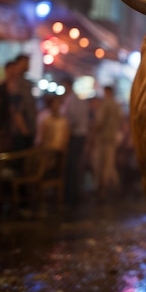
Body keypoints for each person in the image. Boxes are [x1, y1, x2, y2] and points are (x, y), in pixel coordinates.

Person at [60, 78, 90, 206]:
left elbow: (73, 120)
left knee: (72, 166)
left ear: (67, 85)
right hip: (81, 135)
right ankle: (74, 195)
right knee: (76, 165)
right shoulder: (79, 99)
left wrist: (66, 133)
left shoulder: (71, 100)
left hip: (75, 136)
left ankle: (71, 196)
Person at [91, 86, 123, 201]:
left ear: (107, 92)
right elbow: (120, 120)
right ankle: (116, 188)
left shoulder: (105, 104)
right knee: (110, 163)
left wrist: (93, 133)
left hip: (103, 138)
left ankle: (102, 188)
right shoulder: (116, 105)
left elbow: (100, 121)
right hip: (112, 137)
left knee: (103, 165)